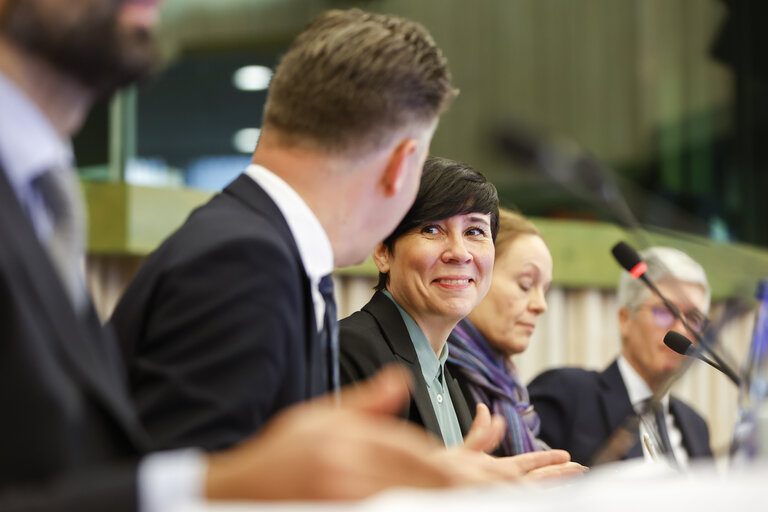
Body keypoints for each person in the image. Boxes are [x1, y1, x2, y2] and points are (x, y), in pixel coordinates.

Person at [0, 1, 561, 509]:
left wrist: (401, 484)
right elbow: (214, 490)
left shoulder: (267, 254)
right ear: (402, 165)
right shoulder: (245, 262)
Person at [338, 156, 500, 444]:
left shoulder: (453, 373)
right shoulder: (346, 352)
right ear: (383, 251)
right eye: (432, 229)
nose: (460, 252)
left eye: (474, 231)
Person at [528, 246, 714, 467]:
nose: (682, 331)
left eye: (693, 320)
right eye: (665, 312)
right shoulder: (567, 395)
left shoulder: (696, 425)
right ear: (625, 319)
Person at [447, 208, 552, 456]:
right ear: (474, 273)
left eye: (544, 290)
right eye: (526, 285)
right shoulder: (434, 372)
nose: (541, 305)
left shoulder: (507, 387)